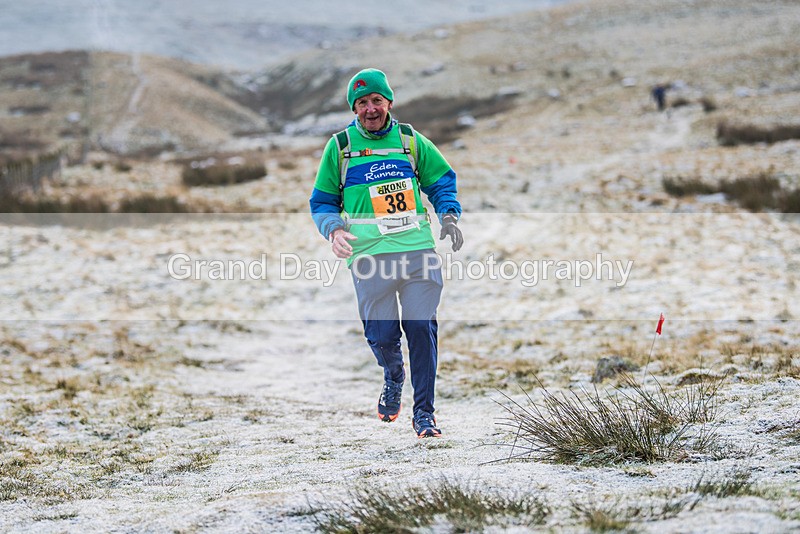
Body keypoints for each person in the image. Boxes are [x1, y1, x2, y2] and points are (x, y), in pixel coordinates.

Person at [309, 68, 463, 438]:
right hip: (369, 255)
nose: (370, 108)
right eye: (361, 103)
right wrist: (334, 229)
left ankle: (424, 413)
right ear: (354, 108)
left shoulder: (410, 141)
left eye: (376, 100)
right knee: (381, 336)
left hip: (416, 249)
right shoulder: (341, 147)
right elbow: (323, 201)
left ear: (388, 102)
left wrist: (449, 214)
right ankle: (393, 374)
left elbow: (441, 180)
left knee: (421, 327)